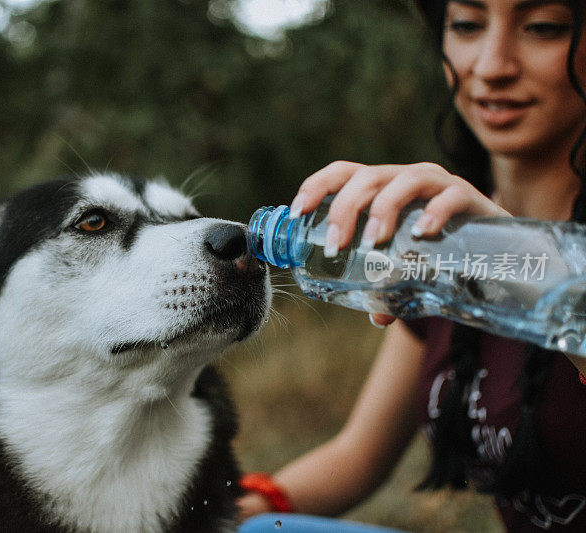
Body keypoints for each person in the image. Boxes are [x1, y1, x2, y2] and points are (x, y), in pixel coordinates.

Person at [237, 0, 586, 531]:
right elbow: (356, 456)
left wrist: (517, 262)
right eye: (466, 25)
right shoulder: (431, 245)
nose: (492, 65)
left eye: (543, 28)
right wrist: (220, 514)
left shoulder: (463, 242)